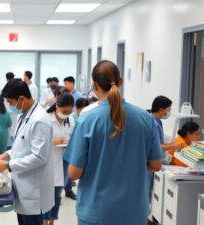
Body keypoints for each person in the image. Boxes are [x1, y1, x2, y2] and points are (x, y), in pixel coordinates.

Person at [64, 60, 162, 225]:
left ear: (95, 86)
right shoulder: (145, 118)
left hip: (96, 213)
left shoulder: (87, 120)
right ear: (121, 81)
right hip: (134, 212)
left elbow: (74, 173)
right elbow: (156, 165)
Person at [0, 79, 54, 225]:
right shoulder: (24, 116)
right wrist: (6, 154)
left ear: (22, 98)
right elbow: (22, 145)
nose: (11, 106)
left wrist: (7, 166)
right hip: (24, 184)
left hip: (34, 191)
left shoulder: (39, 120)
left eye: (11, 102)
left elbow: (39, 157)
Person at [44, 93, 75, 225]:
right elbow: (37, 140)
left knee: (57, 195)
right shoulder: (45, 119)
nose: (66, 114)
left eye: (69, 111)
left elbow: (74, 138)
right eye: (64, 111)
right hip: (48, 162)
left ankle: (51, 221)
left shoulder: (71, 121)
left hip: (64, 162)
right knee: (47, 195)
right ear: (57, 105)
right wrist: (53, 141)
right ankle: (44, 221)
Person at [150, 96, 184, 160]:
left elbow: (158, 142)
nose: (170, 112)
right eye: (169, 109)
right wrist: (175, 146)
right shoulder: (154, 124)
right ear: (161, 110)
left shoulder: (158, 121)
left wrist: (170, 144)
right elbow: (156, 146)